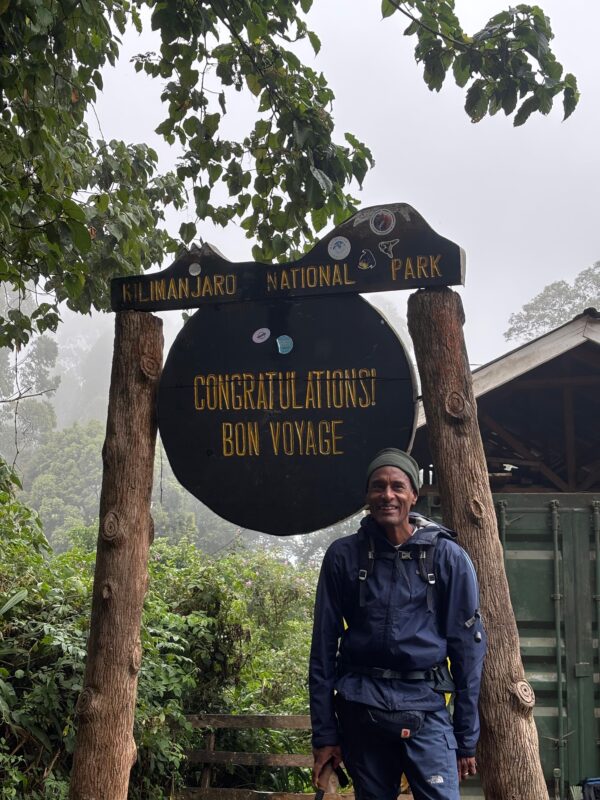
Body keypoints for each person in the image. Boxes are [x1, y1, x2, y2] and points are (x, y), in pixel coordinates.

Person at [309, 448, 486, 800]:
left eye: (397, 486)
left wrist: (466, 737)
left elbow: (468, 650)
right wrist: (325, 735)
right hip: (361, 710)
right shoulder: (343, 556)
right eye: (378, 487)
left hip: (426, 706)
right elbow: (323, 649)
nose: (387, 495)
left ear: (413, 495)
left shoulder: (448, 557)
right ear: (367, 496)